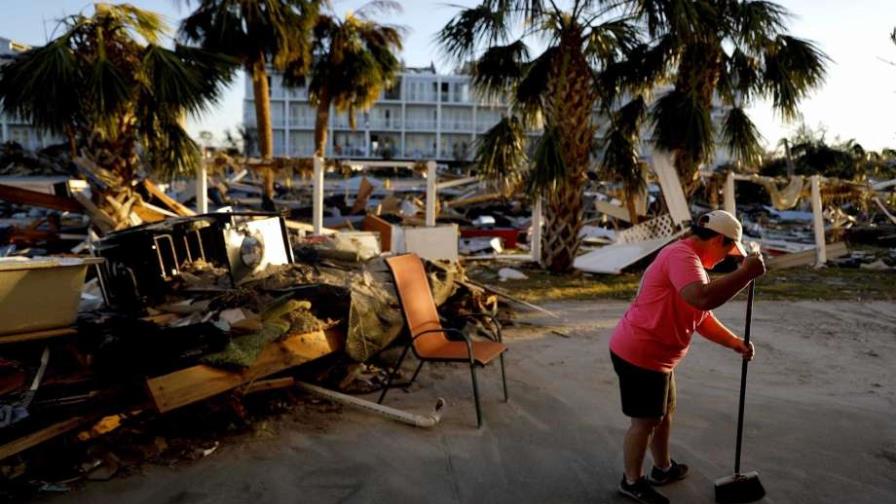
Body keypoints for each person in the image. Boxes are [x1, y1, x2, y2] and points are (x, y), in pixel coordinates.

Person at [609, 210, 766, 504]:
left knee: (663, 413)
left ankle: (662, 468)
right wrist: (744, 274)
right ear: (718, 239)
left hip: (659, 359)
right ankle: (631, 481)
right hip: (641, 354)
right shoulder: (681, 257)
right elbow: (702, 297)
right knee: (645, 421)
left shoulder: (691, 264)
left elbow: (700, 316)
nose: (725, 259)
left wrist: (734, 342)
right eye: (727, 251)